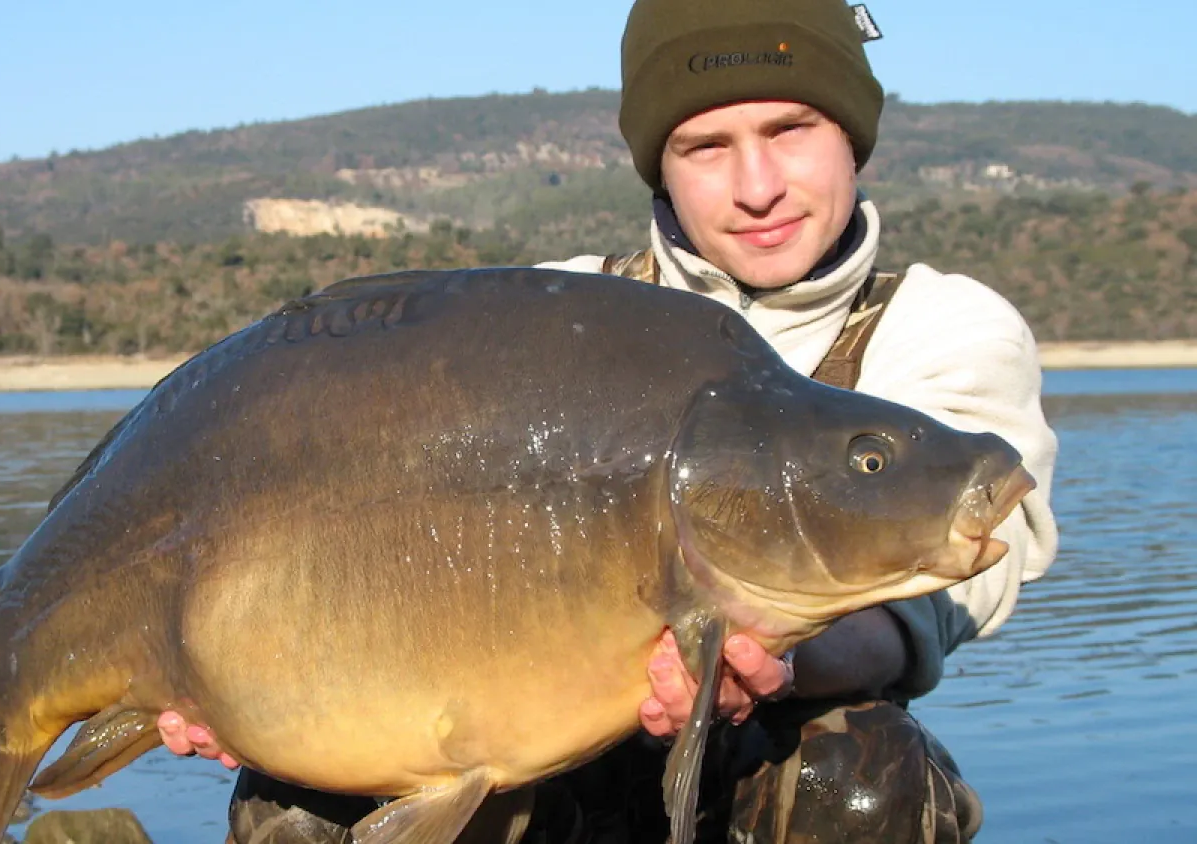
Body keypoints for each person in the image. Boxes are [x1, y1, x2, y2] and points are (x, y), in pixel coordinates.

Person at [157, 0, 1060, 840]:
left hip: (759, 762)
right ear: (657, 163)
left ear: (853, 137)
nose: (757, 186)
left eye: (791, 130)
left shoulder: (944, 327)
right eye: (707, 145)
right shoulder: (561, 312)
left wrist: (783, 660)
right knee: (300, 795)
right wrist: (262, 685)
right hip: (529, 736)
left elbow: (946, 595)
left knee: (859, 773)